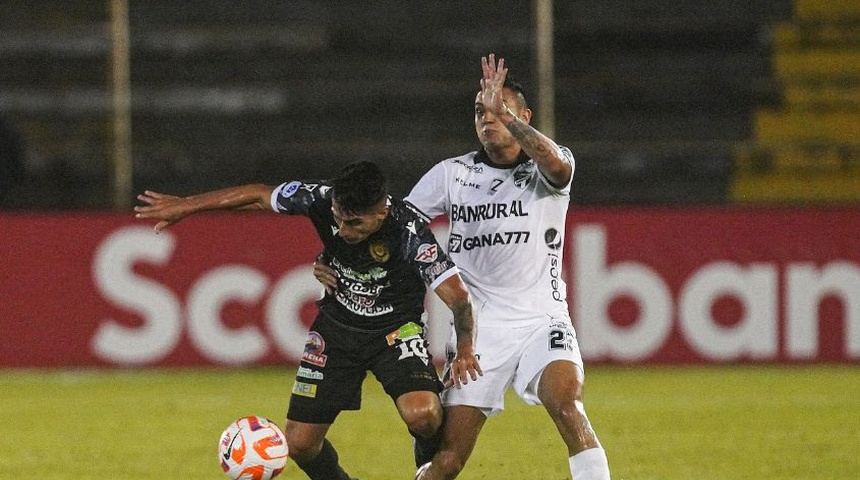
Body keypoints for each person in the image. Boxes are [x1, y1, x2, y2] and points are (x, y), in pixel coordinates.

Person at [317, 54, 611, 479]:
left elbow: (559, 168)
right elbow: (396, 226)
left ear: (522, 116)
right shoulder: (451, 174)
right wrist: (334, 253)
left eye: (498, 111)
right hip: (479, 332)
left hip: (542, 321)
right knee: (448, 461)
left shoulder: (545, 168)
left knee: (568, 407)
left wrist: (509, 118)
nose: (487, 119)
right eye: (480, 112)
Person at [134, 160, 482, 480]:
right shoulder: (319, 196)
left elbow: (459, 298)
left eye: (355, 222)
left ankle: (428, 466)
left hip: (395, 331)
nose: (343, 230)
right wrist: (186, 206)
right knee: (299, 444)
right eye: (339, 218)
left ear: (381, 212)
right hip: (337, 329)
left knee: (423, 415)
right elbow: (258, 195)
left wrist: (465, 346)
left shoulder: (409, 231)